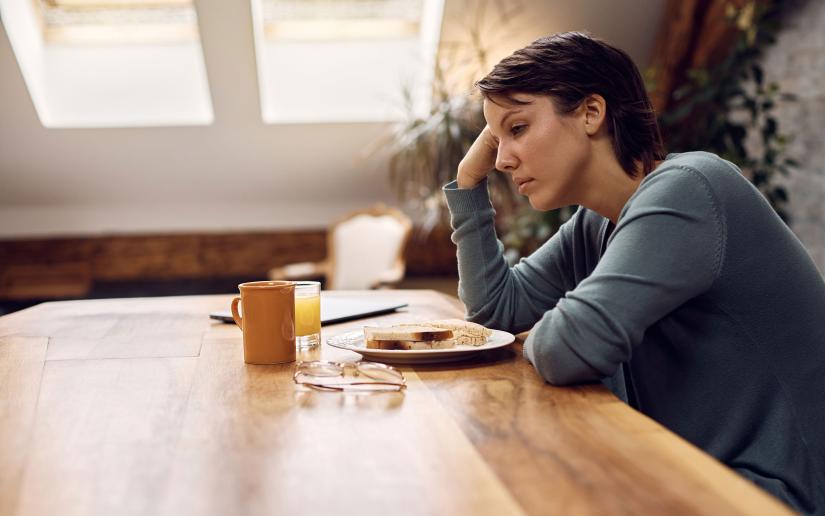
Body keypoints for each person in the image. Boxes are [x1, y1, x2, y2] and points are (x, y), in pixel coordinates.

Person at [443, 31, 825, 514]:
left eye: (517, 129)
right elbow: (495, 310)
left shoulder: (693, 189)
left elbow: (571, 348)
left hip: (771, 494)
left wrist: (558, 328)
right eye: (496, 140)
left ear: (590, 113)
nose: (502, 159)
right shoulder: (596, 222)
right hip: (691, 472)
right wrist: (468, 183)